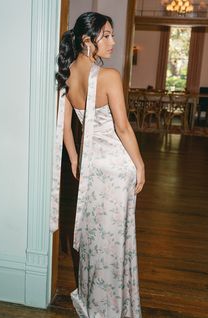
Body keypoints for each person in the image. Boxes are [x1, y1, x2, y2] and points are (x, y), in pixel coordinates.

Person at [50, 12, 145, 318]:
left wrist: (76, 159)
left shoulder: (67, 73)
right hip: (117, 168)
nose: (114, 42)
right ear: (87, 40)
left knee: (96, 236)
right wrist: (140, 165)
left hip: (91, 168)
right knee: (114, 239)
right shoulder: (109, 76)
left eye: (112, 35)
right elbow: (123, 128)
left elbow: (65, 128)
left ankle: (95, 299)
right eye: (106, 35)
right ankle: (113, 307)